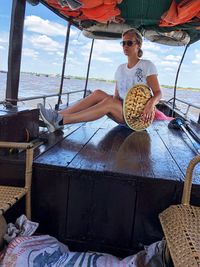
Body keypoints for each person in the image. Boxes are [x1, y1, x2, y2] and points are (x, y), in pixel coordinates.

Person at [38, 28, 162, 133]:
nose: (125, 46)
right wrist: (105, 101)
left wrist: (150, 105)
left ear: (138, 45)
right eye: (123, 43)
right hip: (121, 111)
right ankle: (57, 114)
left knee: (109, 102)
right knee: (97, 93)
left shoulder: (147, 65)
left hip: (137, 118)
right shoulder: (120, 69)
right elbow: (117, 97)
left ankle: (61, 120)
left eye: (129, 43)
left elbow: (158, 93)